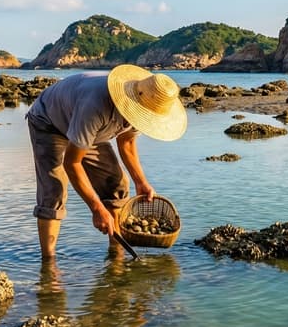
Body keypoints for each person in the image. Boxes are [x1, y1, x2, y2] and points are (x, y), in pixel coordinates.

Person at [26, 64, 186, 259]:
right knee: (54, 191)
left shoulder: (144, 106)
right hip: (49, 122)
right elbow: (72, 164)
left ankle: (116, 250)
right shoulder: (96, 106)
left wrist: (141, 182)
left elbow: (126, 142)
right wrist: (97, 209)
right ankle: (49, 265)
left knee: (117, 184)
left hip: (87, 130)